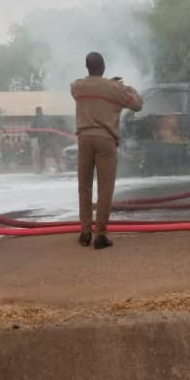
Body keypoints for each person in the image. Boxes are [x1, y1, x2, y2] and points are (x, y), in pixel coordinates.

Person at [71, 52, 143, 249]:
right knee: (105, 189)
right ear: (103, 67)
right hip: (105, 140)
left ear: (87, 67)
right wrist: (122, 86)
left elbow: (78, 86)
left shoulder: (78, 87)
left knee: (84, 188)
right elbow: (137, 105)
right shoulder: (115, 89)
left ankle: (85, 232)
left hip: (84, 139)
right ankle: (100, 235)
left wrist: (104, 83)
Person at [30, 106, 48, 173]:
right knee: (39, 155)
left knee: (40, 154)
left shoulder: (42, 119)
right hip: (37, 139)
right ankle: (41, 168)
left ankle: (42, 168)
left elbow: (46, 128)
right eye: (37, 111)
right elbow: (32, 128)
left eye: (38, 111)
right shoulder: (36, 119)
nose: (38, 112)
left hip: (41, 139)